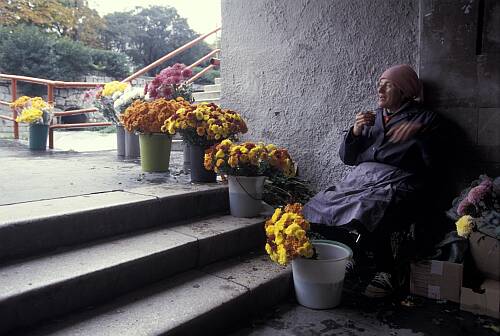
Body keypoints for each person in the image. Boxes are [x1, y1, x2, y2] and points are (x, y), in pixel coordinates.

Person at [303, 64, 442, 298]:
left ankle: (386, 272)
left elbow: (436, 165)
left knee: (369, 209)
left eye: (387, 85)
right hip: (360, 179)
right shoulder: (373, 118)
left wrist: (419, 136)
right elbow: (347, 159)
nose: (379, 89)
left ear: (404, 91)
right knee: (315, 207)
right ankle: (354, 251)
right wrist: (355, 132)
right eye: (379, 84)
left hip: (398, 180)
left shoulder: (426, 119)